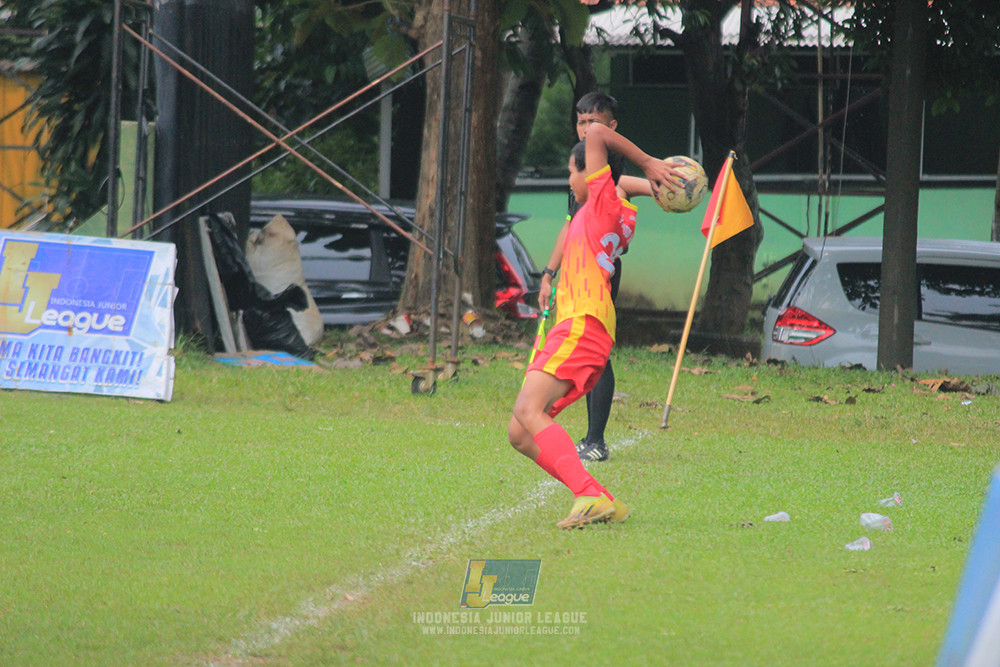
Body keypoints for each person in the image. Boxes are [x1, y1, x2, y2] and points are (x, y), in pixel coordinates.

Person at [508, 123, 681, 529]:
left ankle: (586, 495)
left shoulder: (602, 202)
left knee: (527, 409)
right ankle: (602, 500)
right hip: (584, 325)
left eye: (573, 171)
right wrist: (653, 180)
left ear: (593, 174)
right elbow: (622, 183)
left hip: (582, 323)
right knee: (519, 432)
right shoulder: (613, 205)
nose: (570, 180)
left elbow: (600, 133)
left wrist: (650, 163)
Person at [538, 92, 654, 463]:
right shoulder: (584, 184)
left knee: (597, 356)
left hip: (597, 277)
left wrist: (663, 178)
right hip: (574, 276)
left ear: (610, 128)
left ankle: (595, 439)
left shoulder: (606, 185)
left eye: (594, 123)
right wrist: (548, 273)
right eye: (581, 122)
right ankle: (584, 435)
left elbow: (639, 185)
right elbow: (569, 227)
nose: (587, 130)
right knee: (586, 356)